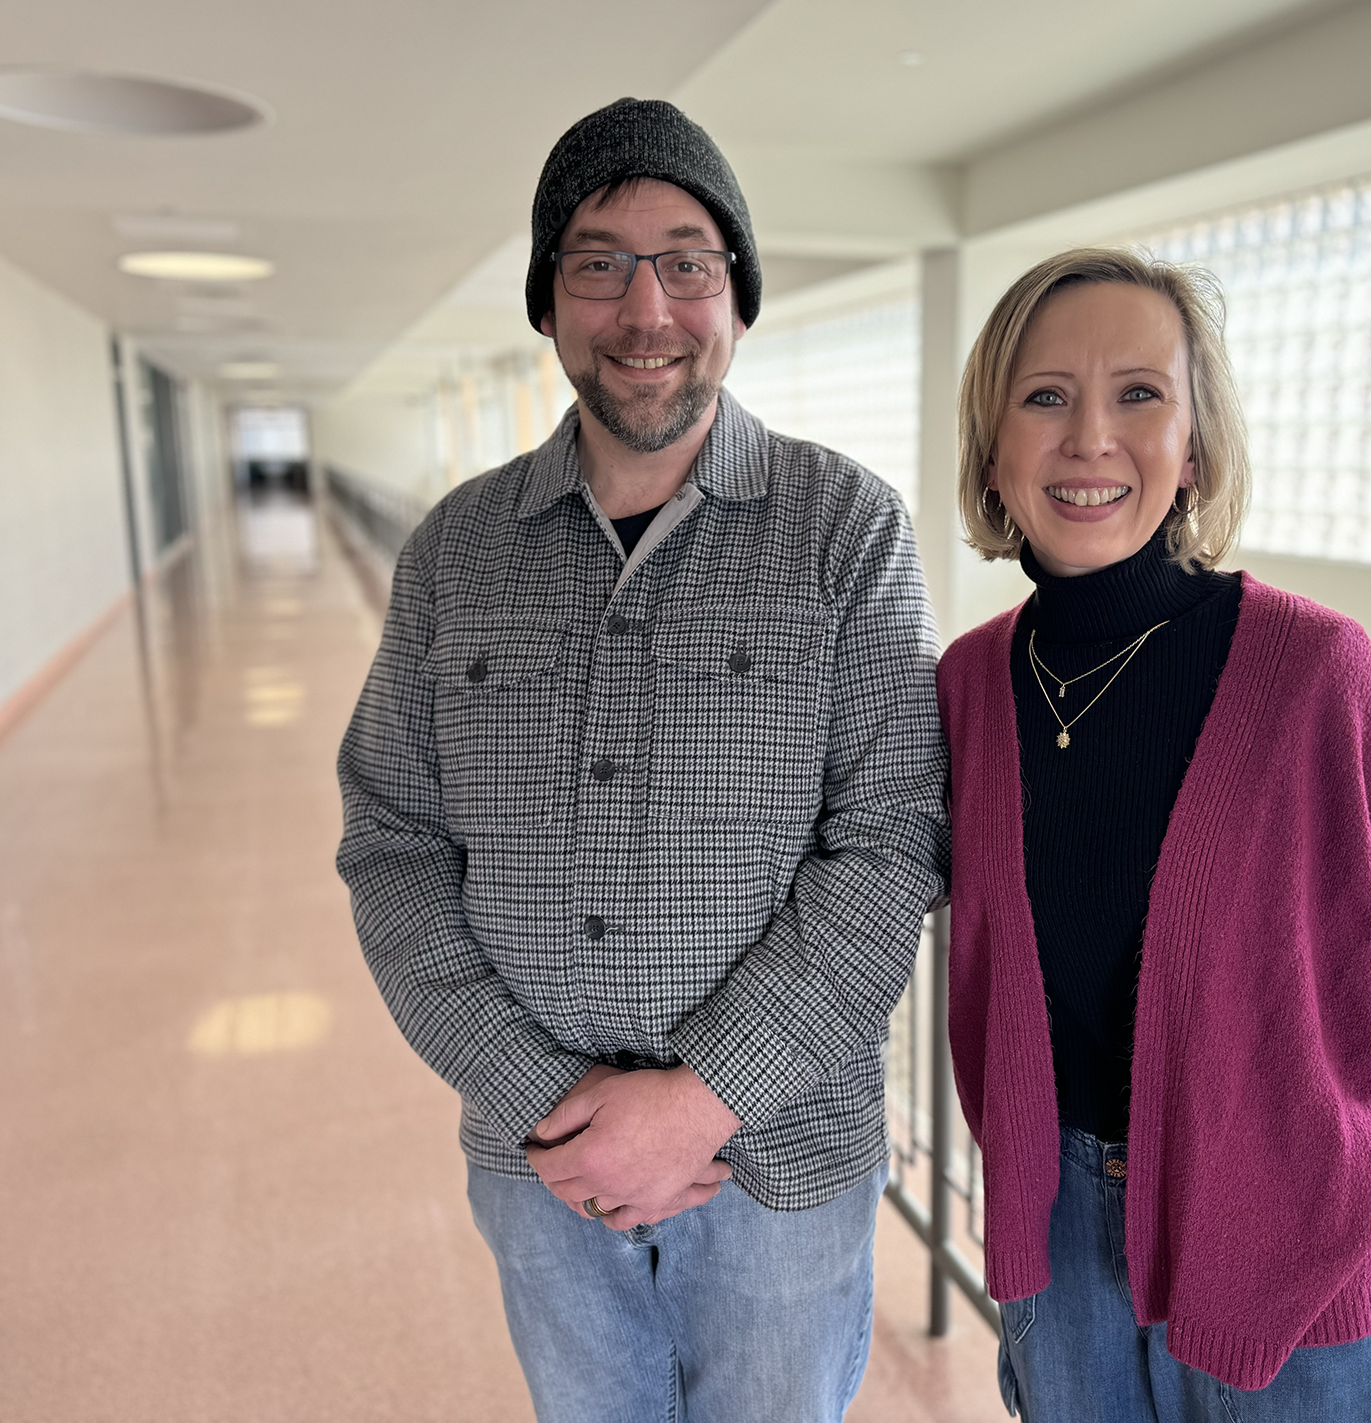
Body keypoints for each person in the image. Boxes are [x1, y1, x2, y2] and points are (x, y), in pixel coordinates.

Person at [335, 97, 946, 1423]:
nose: (646, 308)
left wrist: (700, 1099)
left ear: (739, 296)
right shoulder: (456, 553)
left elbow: (893, 839)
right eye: (598, 262)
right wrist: (541, 1097)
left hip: (782, 1164)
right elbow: (392, 846)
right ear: (550, 305)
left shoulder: (844, 529)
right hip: (538, 1170)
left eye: (688, 260)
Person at [935, 246, 1371, 1422]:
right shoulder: (972, 687)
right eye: (1046, 396)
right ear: (995, 450)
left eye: (1141, 394)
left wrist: (1337, 1188)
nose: (1091, 438)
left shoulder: (1317, 672)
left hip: (1293, 1243)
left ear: (1195, 446)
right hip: (1060, 1240)